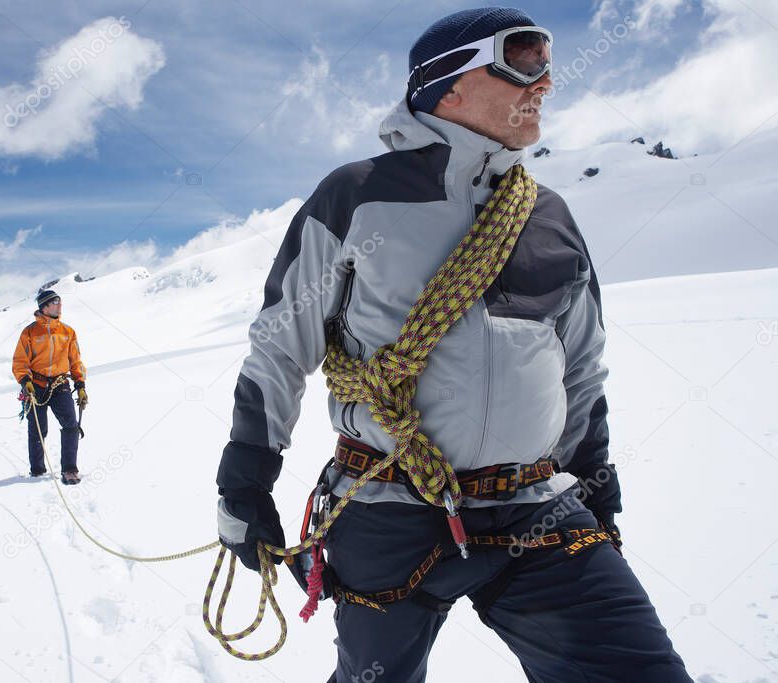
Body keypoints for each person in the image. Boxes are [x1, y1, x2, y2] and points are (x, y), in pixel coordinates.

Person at [214, 7, 691, 681]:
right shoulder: (357, 198)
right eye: (523, 61)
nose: (546, 83)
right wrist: (245, 481)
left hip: (536, 505)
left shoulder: (549, 215)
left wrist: (598, 494)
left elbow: (581, 370)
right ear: (447, 84)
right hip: (385, 505)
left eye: (547, 63)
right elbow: (279, 349)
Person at [12, 289, 88, 484]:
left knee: (71, 425)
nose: (59, 304)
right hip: (35, 385)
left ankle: (69, 469)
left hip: (60, 384)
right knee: (37, 429)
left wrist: (80, 384)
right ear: (44, 307)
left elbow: (75, 360)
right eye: (55, 301)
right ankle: (37, 470)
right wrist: (25, 381)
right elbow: (20, 361)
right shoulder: (29, 332)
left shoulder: (68, 332)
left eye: (60, 301)